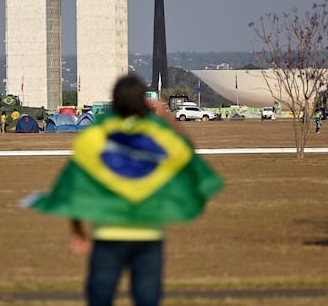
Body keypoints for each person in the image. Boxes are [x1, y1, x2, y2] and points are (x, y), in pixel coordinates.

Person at [22, 74, 223, 306]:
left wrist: (78, 231)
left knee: (100, 297)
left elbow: (75, 188)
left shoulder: (95, 136)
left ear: (114, 102)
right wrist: (166, 115)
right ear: (143, 101)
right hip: (148, 234)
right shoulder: (158, 135)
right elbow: (187, 153)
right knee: (147, 299)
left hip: (108, 234)